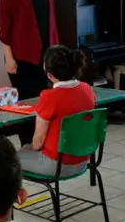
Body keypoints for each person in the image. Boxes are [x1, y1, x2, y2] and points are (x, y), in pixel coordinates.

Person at [17, 45, 94, 178]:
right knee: (24, 150)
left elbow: (38, 143)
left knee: (8, 159)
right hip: (82, 160)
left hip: (56, 165)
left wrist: (30, 148)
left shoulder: (49, 97)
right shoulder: (87, 89)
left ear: (49, 74)